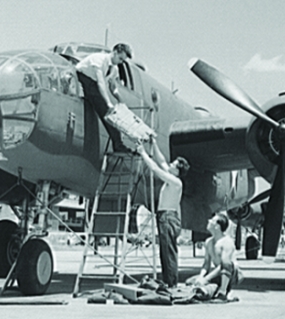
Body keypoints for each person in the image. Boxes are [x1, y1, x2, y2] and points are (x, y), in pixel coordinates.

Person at [136, 143, 188, 288]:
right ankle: (169, 281)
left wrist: (143, 153)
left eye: (174, 164)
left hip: (168, 218)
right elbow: (162, 161)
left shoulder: (175, 182)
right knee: (165, 251)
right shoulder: (173, 177)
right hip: (165, 217)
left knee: (168, 252)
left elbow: (155, 168)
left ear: (178, 170)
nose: (170, 164)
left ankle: (171, 284)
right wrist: (154, 144)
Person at [76, 43, 133, 152]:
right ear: (115, 52)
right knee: (106, 111)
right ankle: (118, 145)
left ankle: (118, 142)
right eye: (120, 58)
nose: (120, 62)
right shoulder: (99, 59)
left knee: (111, 112)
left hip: (94, 85)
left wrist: (121, 102)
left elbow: (112, 87)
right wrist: (108, 103)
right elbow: (100, 82)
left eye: (123, 61)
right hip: (84, 79)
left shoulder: (114, 69)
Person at [188, 214, 240, 301]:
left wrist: (206, 279)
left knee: (226, 263)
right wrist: (201, 277)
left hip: (231, 274)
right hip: (218, 273)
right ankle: (216, 290)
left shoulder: (227, 242)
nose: (208, 221)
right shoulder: (208, 242)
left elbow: (224, 265)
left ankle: (223, 292)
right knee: (189, 282)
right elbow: (206, 264)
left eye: (212, 220)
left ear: (217, 226)